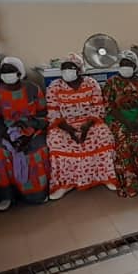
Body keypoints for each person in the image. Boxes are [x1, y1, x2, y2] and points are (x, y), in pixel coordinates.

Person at [45, 53, 117, 200]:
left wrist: (86, 127)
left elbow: (98, 109)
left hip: (90, 121)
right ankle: (65, 183)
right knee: (56, 141)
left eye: (70, 68)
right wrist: (70, 131)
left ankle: (105, 176)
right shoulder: (54, 87)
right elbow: (53, 113)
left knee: (103, 135)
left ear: (79, 69)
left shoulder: (91, 84)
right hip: (64, 124)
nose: (67, 71)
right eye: (63, 68)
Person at [0, 57, 48, 211]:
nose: (7, 75)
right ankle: (6, 196)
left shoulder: (33, 89)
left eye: (11, 72)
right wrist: (9, 138)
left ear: (20, 73)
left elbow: (43, 114)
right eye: (4, 72)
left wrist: (29, 132)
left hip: (33, 130)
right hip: (7, 132)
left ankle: (35, 195)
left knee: (35, 154)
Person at [103, 50, 138, 197]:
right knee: (122, 138)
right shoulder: (111, 83)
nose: (125, 67)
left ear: (135, 66)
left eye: (129, 64)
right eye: (123, 64)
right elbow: (109, 107)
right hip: (120, 118)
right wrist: (127, 121)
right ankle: (130, 182)